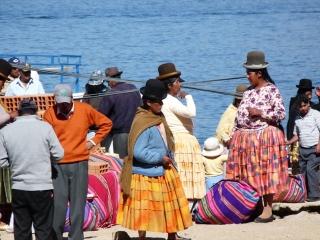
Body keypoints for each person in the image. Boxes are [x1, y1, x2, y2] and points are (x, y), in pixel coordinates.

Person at [117, 79, 192, 240]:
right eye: (158, 102)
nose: (161, 105)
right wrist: (160, 158)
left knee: (170, 206)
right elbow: (138, 152)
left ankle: (172, 235)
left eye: (161, 101)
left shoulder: (158, 117)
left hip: (164, 169)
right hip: (146, 173)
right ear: (148, 102)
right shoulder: (143, 122)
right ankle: (142, 237)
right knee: (144, 210)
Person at [43, 84, 112, 240]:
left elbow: (106, 124)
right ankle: (55, 236)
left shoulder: (85, 110)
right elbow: (44, 138)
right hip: (57, 164)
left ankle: (76, 236)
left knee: (78, 203)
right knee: (59, 204)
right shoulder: (49, 114)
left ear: (72, 99)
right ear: (55, 100)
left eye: (65, 102)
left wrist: (93, 142)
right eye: (59, 102)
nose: (62, 106)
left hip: (80, 162)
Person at [226, 51, 288, 223]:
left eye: (249, 72)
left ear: (259, 73)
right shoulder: (248, 92)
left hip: (264, 137)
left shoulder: (271, 90)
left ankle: (268, 209)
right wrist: (233, 134)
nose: (247, 76)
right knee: (250, 173)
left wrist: (260, 112)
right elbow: (239, 116)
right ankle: (255, 206)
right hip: (246, 138)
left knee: (264, 172)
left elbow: (281, 113)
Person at [0, 98, 64, 240]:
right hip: (42, 186)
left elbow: (2, 162)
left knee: (22, 230)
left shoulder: (6, 131)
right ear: (35, 111)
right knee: (44, 229)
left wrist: (17, 162)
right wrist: (45, 159)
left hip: (19, 187)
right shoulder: (45, 127)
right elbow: (59, 155)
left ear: (19, 112)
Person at [157, 62, 205, 200]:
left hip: (175, 139)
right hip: (182, 140)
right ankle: (189, 202)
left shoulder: (164, 100)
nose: (180, 85)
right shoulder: (170, 100)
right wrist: (188, 96)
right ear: (169, 85)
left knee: (183, 172)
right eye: (178, 82)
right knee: (186, 173)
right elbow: (191, 112)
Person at [99, 66, 141, 158]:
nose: (108, 85)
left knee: (122, 161)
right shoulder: (133, 88)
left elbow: (101, 116)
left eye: (107, 82)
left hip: (120, 134)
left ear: (110, 80)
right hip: (136, 131)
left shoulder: (111, 93)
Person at [286, 95, 320, 202]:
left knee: (311, 170)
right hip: (303, 149)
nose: (303, 108)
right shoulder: (297, 118)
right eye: (300, 107)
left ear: (309, 104)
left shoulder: (316, 114)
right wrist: (288, 142)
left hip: (314, 148)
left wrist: (319, 145)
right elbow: (297, 135)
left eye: (305, 106)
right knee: (302, 171)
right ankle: (304, 194)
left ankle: (315, 195)